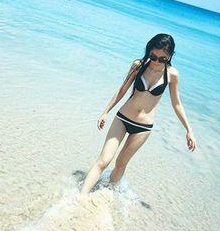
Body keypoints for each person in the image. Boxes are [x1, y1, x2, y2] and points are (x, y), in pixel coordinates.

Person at [80, 33, 196, 196]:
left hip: (143, 127)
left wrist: (188, 130)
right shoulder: (138, 65)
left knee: (121, 163)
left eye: (162, 59)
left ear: (170, 57)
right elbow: (122, 89)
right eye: (153, 56)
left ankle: (106, 195)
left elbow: (176, 103)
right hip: (123, 118)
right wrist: (105, 111)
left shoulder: (172, 75)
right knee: (104, 161)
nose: (156, 62)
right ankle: (80, 197)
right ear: (149, 51)